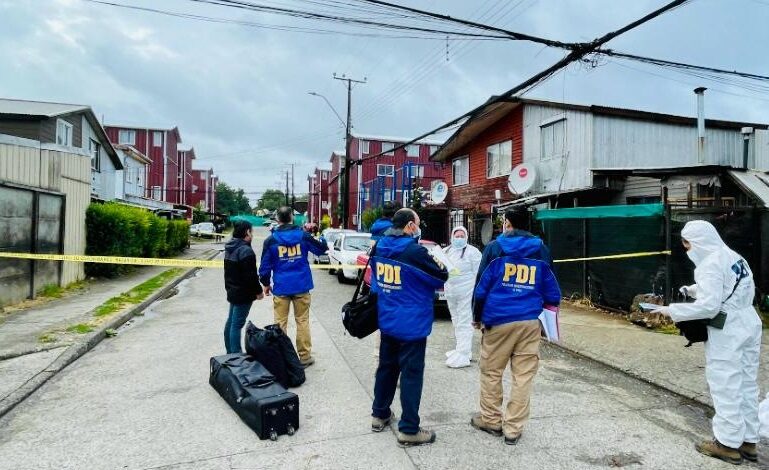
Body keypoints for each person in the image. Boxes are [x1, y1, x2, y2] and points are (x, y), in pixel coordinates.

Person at [654, 220, 762, 465]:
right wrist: (695, 289)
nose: (687, 249)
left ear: (698, 242)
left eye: (688, 244)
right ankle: (748, 440)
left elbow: (709, 307)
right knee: (746, 383)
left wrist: (673, 310)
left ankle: (727, 443)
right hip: (749, 320)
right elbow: (730, 285)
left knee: (725, 382)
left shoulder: (709, 265)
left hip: (728, 328)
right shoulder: (733, 256)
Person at [471, 208, 561, 445]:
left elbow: (481, 288)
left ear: (508, 223)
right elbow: (552, 289)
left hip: (498, 320)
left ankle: (491, 420)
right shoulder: (541, 250)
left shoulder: (494, 249)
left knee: (491, 372)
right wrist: (548, 316)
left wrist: (477, 316)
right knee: (523, 376)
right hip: (529, 321)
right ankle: (513, 428)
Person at [370, 208, 448, 447]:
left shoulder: (379, 246)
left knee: (386, 369)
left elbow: (376, 282)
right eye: (417, 223)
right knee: (411, 376)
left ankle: (379, 414)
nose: (419, 227)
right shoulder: (415, 251)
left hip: (388, 319)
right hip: (412, 324)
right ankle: (409, 429)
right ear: (410, 226)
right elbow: (441, 275)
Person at [259, 207, 328, 368]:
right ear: (292, 217)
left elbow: (264, 267)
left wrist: (266, 284)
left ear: (277, 219)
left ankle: (282, 357)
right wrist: (320, 236)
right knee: (302, 321)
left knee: (280, 323)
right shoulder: (303, 236)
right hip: (301, 286)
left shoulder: (271, 240)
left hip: (281, 287)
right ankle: (304, 357)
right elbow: (321, 250)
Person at [443, 226, 482, 368]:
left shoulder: (473, 252)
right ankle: (461, 348)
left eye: (462, 236)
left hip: (467, 292)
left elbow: (479, 272)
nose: (459, 238)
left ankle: (464, 354)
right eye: (457, 236)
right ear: (452, 236)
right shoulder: (446, 251)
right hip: (451, 291)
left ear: (466, 237)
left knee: (465, 321)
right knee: (456, 319)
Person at [223, 220, 264, 354]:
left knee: (231, 322)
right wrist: (258, 291)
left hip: (232, 290)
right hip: (243, 293)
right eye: (251, 232)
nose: (252, 235)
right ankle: (236, 355)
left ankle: (230, 352)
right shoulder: (245, 251)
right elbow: (251, 276)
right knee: (237, 325)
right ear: (247, 232)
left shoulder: (230, 247)